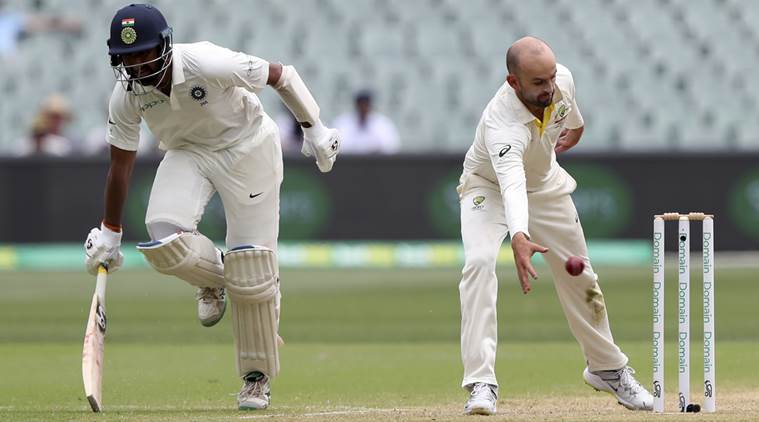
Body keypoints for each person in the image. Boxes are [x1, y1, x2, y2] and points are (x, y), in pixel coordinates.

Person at [82, 4, 340, 411]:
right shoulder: (126, 97)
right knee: (163, 240)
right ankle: (217, 278)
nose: (137, 64)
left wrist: (316, 128)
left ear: (164, 46)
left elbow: (281, 74)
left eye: (144, 52)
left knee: (253, 262)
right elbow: (120, 165)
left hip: (248, 146)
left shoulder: (206, 60)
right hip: (188, 152)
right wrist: (110, 234)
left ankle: (255, 380)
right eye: (127, 58)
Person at [456, 36, 653, 415]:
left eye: (551, 78)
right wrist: (519, 235)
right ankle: (481, 383)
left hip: (546, 185)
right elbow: (511, 184)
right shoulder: (502, 123)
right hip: (489, 187)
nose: (549, 88)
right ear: (513, 82)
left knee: (582, 277)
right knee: (479, 264)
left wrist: (576, 128)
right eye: (538, 83)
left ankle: (607, 368)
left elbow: (569, 111)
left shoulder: (561, 79)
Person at [332, 89, 400, 154]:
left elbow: (392, 148)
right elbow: (335, 149)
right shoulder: (342, 123)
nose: (363, 107)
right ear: (356, 104)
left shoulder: (384, 125)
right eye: (361, 103)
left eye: (366, 103)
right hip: (348, 165)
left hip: (376, 164)